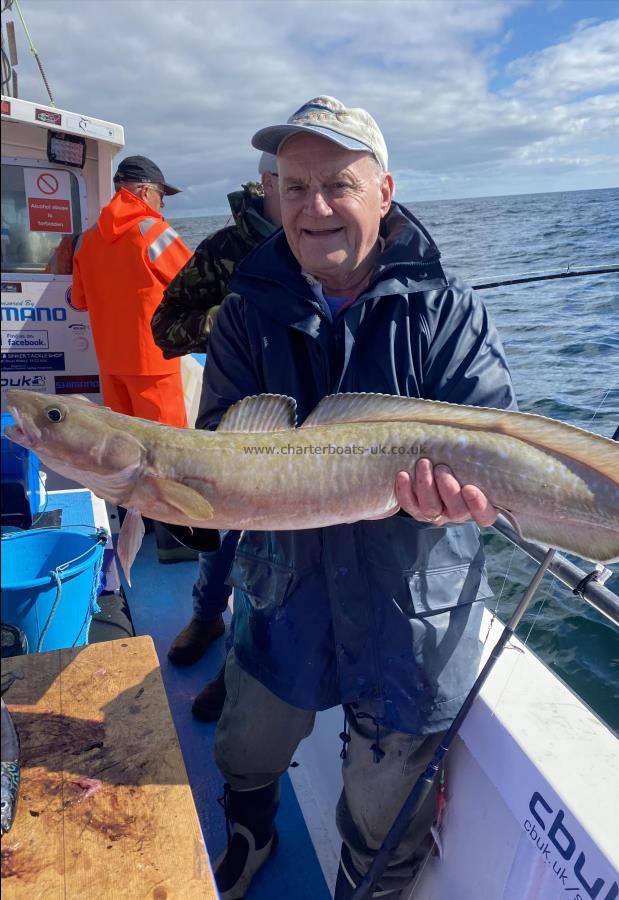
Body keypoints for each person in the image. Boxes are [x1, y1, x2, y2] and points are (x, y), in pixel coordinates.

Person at [197, 96, 516, 899]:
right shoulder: (244, 313)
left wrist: (456, 495)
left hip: (410, 607)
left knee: (384, 799)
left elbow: (492, 442)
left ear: (384, 192)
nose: (315, 207)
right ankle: (250, 827)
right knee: (248, 741)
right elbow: (216, 446)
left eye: (338, 184)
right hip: (284, 591)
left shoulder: (450, 313)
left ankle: (364, 884)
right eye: (295, 187)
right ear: (273, 197)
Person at [154, 154, 283, 724]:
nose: (307, 200)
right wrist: (224, 319)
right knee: (224, 531)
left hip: (308, 431)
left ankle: (238, 666)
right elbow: (164, 328)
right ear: (266, 184)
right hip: (238, 419)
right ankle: (208, 618)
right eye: (288, 181)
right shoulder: (225, 249)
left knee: (274, 553)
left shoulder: (333, 250)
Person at [71, 155, 196, 562]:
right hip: (154, 365)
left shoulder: (88, 240)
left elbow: (78, 299)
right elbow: (196, 282)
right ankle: (176, 546)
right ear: (142, 191)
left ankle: (131, 537)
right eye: (161, 195)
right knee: (170, 458)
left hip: (112, 368)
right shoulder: (151, 230)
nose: (163, 205)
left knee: (123, 458)